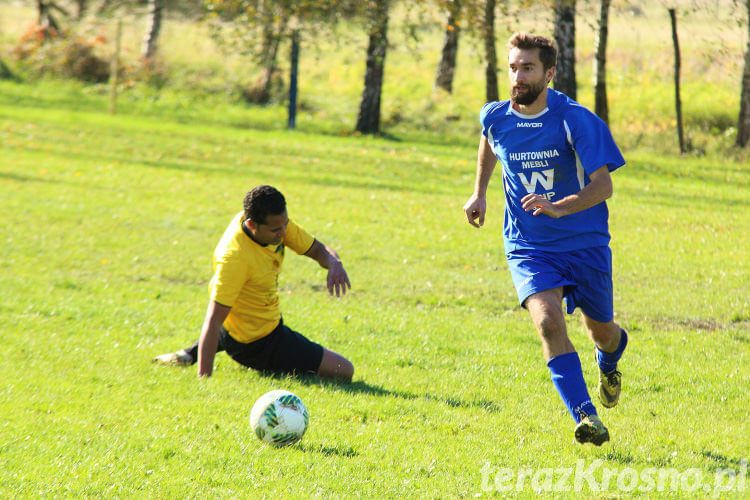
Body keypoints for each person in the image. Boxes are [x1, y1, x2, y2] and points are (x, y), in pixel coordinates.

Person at [463, 33, 628, 445]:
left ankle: (610, 358)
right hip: (529, 244)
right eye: (513, 67)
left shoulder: (576, 120)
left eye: (528, 68)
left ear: (549, 73)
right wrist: (479, 191)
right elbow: (489, 138)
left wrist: (560, 206)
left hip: (584, 241)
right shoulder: (496, 115)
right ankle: (586, 416)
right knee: (549, 323)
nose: (517, 76)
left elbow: (603, 186)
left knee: (601, 331)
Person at [153, 185, 354, 381]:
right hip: (258, 343)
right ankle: (198, 355)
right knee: (344, 370)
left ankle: (188, 354)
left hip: (243, 323)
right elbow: (213, 319)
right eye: (276, 229)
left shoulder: (270, 222)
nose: (284, 233)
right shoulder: (236, 259)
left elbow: (317, 249)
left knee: (235, 319)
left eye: (286, 224)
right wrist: (204, 380)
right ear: (251, 225)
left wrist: (334, 263)